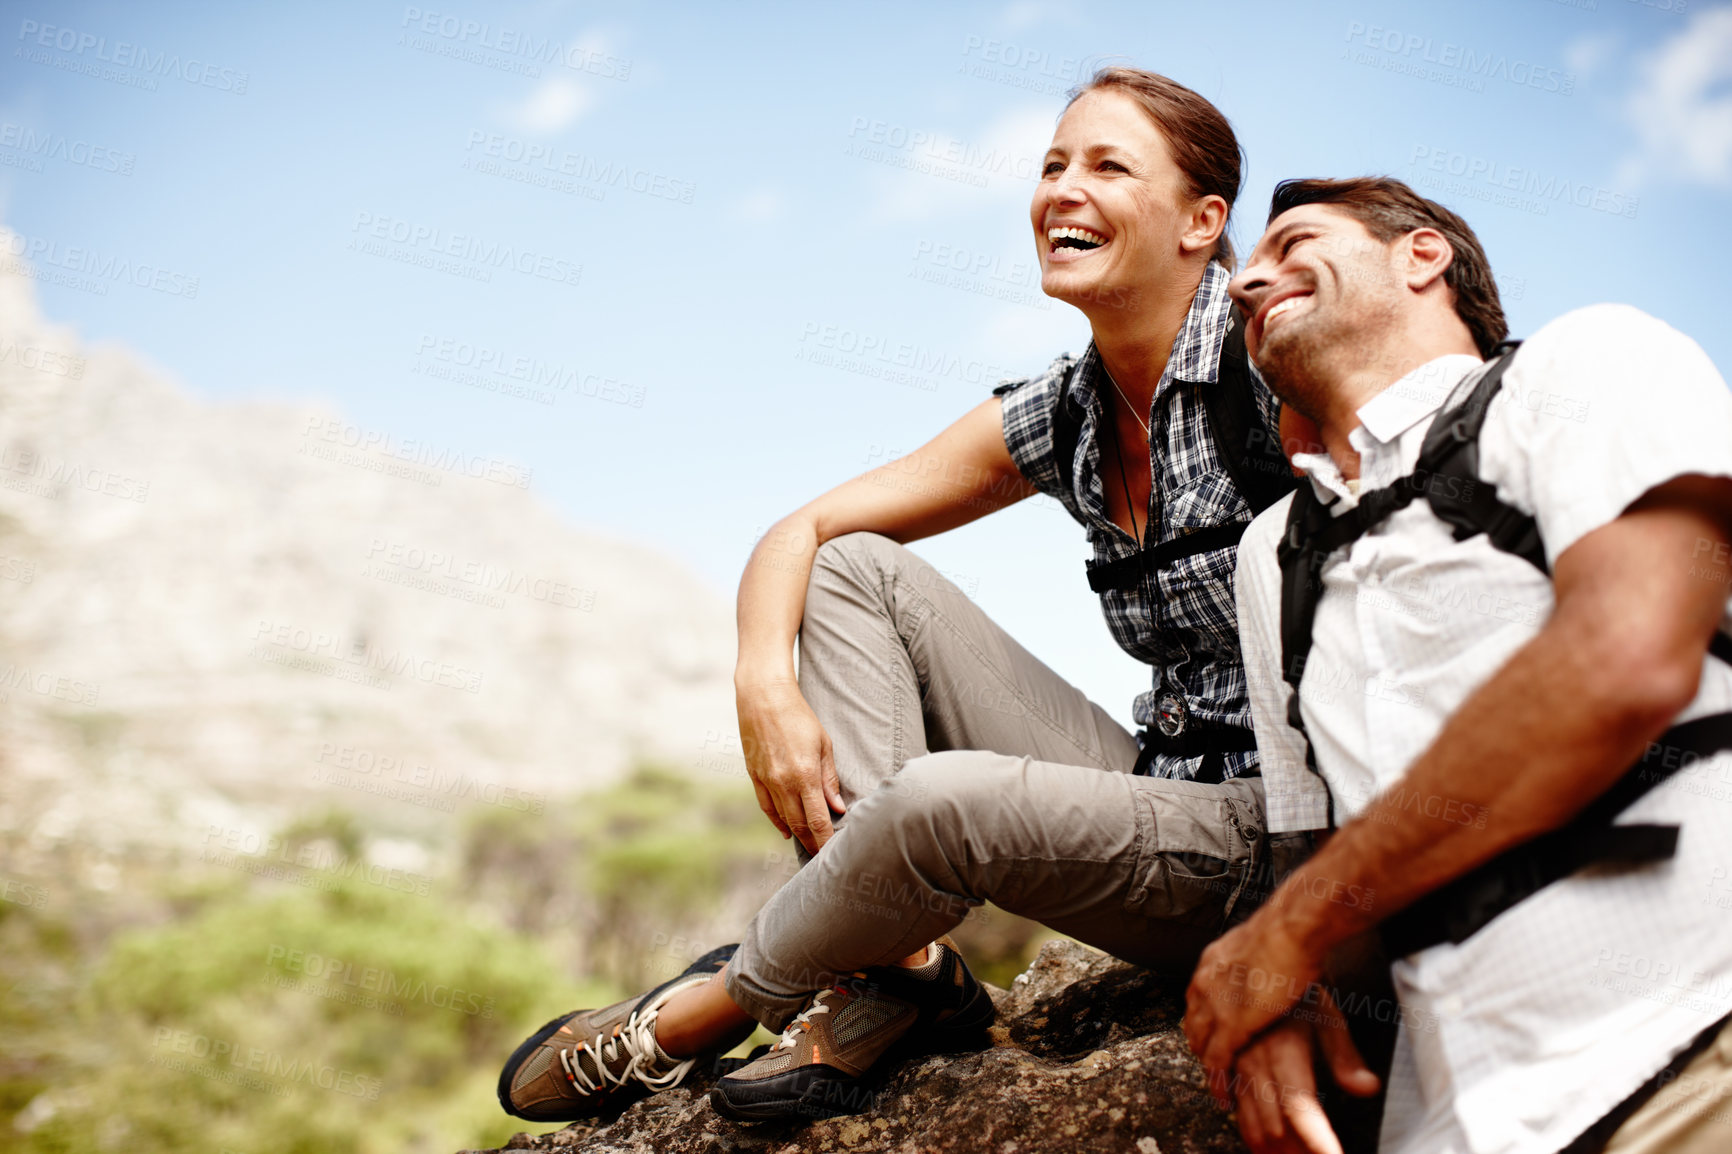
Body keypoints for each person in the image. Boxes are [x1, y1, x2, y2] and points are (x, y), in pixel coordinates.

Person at [497, 66, 1301, 1125]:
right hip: (1158, 790)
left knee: (936, 799)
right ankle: (896, 966)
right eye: (1052, 163)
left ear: (1203, 222)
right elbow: (806, 529)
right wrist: (763, 687)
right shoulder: (1066, 409)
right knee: (848, 568)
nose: (1061, 189)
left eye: (1107, 165)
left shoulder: (1276, 362)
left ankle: (710, 1001)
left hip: (1281, 841)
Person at [1183, 176, 1732, 1154]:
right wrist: (1275, 1002)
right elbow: (1309, 849)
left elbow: (1626, 659)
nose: (1243, 280)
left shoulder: (1585, 362)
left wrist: (1285, 931)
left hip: (1698, 1043)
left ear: (1421, 254)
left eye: (1292, 240)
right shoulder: (1269, 558)